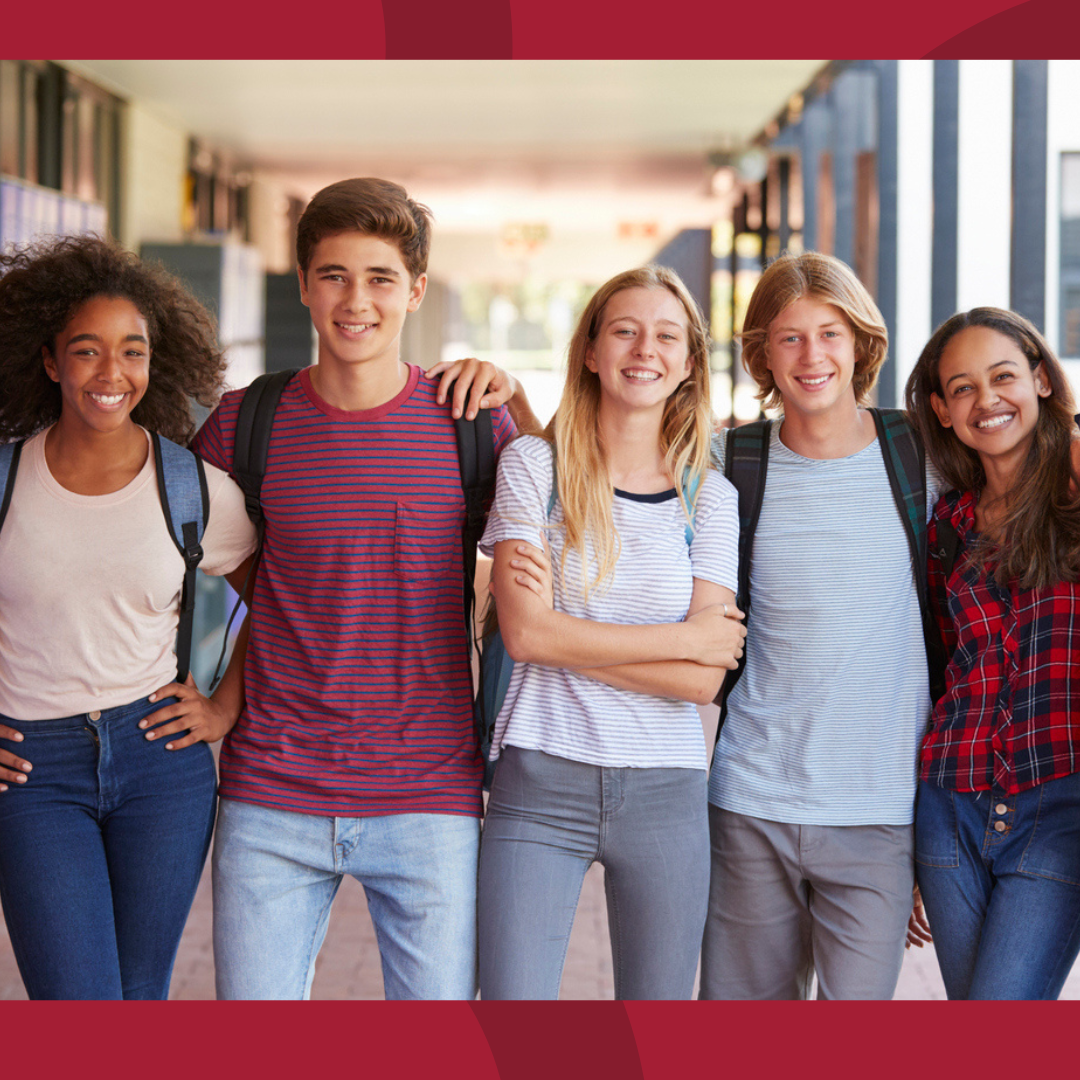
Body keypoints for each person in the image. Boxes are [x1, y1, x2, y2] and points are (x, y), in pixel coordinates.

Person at [192, 177, 516, 1000]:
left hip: (431, 797)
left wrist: (521, 392)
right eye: (333, 274)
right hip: (271, 795)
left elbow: (573, 505)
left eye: (379, 278)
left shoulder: (469, 420)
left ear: (414, 290)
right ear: (303, 284)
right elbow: (171, 541)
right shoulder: (243, 424)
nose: (355, 300)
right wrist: (221, 697)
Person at [476, 265, 746, 1000]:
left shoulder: (709, 498)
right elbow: (526, 637)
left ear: (689, 364)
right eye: (624, 330)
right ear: (591, 350)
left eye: (665, 336)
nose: (643, 350)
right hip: (539, 778)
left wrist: (567, 632)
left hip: (667, 791)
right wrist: (679, 637)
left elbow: (702, 680)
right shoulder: (535, 467)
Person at [0, 235, 258, 1000]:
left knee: (137, 1004)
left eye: (132, 351)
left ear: (156, 360)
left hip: (160, 764)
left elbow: (278, 599)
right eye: (87, 351)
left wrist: (224, 706)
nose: (112, 374)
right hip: (33, 769)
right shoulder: (8, 479)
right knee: (81, 1007)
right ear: (50, 360)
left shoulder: (193, 489)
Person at [698, 251, 936, 1000]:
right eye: (790, 337)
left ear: (861, 341)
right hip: (751, 801)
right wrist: (506, 396)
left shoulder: (922, 455)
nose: (812, 356)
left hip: (879, 811)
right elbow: (605, 460)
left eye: (829, 333)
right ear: (763, 352)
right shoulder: (731, 460)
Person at [905, 307, 1080, 1000]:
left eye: (1003, 376)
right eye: (963, 387)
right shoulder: (945, 522)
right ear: (943, 411)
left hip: (1058, 806)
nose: (988, 400)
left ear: (1040, 379)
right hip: (949, 805)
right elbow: (937, 668)